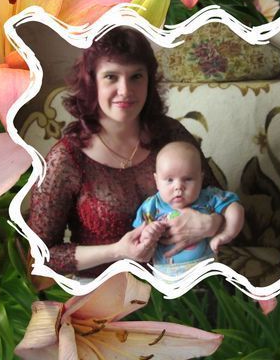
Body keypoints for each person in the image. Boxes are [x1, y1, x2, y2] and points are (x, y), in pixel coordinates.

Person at [28, 26, 224, 279]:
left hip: (182, 280)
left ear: (149, 81)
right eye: (111, 77)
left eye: (136, 77)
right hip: (104, 290)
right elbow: (41, 255)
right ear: (92, 82)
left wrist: (212, 223)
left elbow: (220, 200)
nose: (125, 90)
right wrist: (117, 251)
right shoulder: (66, 158)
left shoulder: (171, 134)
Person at [134, 141, 245, 277]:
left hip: (207, 272)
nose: (178, 187)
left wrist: (227, 234)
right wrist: (147, 234)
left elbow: (235, 208)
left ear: (200, 178)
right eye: (169, 180)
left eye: (187, 179)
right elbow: (137, 239)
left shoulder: (208, 197)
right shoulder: (151, 206)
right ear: (157, 181)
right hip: (166, 277)